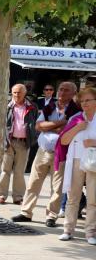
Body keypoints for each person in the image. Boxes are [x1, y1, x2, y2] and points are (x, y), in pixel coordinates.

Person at [12, 82, 79, 226]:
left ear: (73, 93)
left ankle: (51, 216)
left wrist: (50, 126)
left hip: (61, 154)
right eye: (60, 89)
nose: (62, 92)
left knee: (57, 187)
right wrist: (60, 122)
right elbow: (38, 126)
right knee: (33, 183)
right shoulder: (50, 107)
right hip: (43, 151)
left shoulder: (76, 111)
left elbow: (67, 131)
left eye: (66, 90)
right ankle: (26, 212)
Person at [57, 87, 96, 244]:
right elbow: (64, 140)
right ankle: (68, 229)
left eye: (88, 100)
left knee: (93, 199)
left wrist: (94, 143)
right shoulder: (76, 118)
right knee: (73, 197)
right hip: (76, 160)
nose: (84, 103)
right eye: (82, 101)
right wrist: (78, 128)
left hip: (94, 161)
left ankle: (90, 233)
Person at [0, 84, 38, 205]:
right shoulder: (7, 106)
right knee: (5, 170)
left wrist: (33, 138)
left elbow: (36, 123)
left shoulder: (32, 107)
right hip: (9, 142)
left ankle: (18, 197)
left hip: (24, 143)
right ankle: (1, 195)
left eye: (19, 92)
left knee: (20, 171)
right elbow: (1, 124)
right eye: (14, 92)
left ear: (24, 93)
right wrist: (3, 140)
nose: (16, 95)